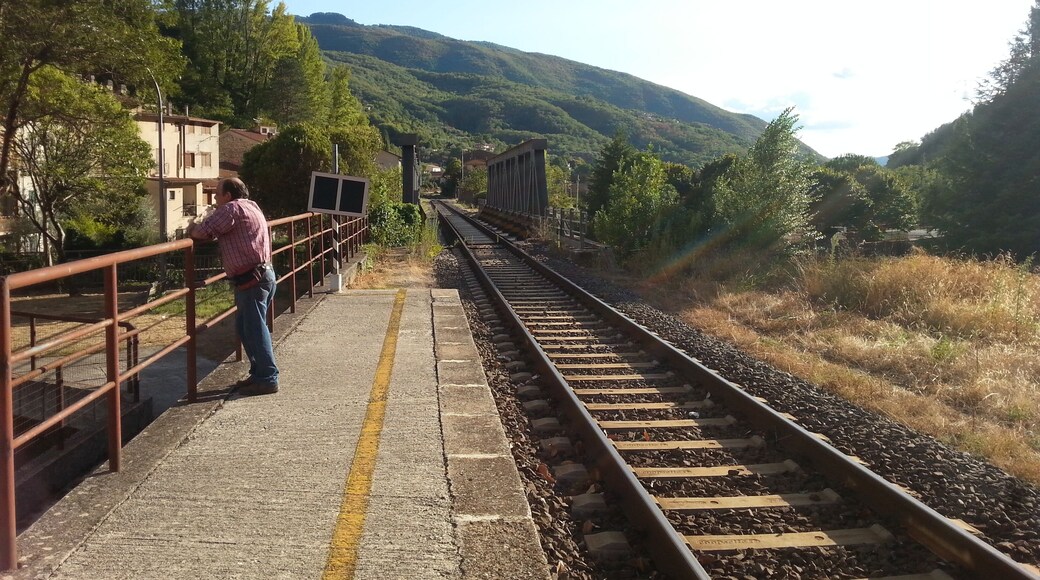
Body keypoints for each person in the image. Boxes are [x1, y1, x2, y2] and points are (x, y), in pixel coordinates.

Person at [187, 177, 279, 396]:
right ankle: (259, 374)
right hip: (262, 274)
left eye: (217, 194)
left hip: (252, 279)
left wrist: (192, 226)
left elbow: (202, 232)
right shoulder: (251, 205)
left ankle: (267, 378)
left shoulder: (231, 209)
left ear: (228, 195)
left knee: (254, 330)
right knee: (246, 329)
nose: (215, 199)